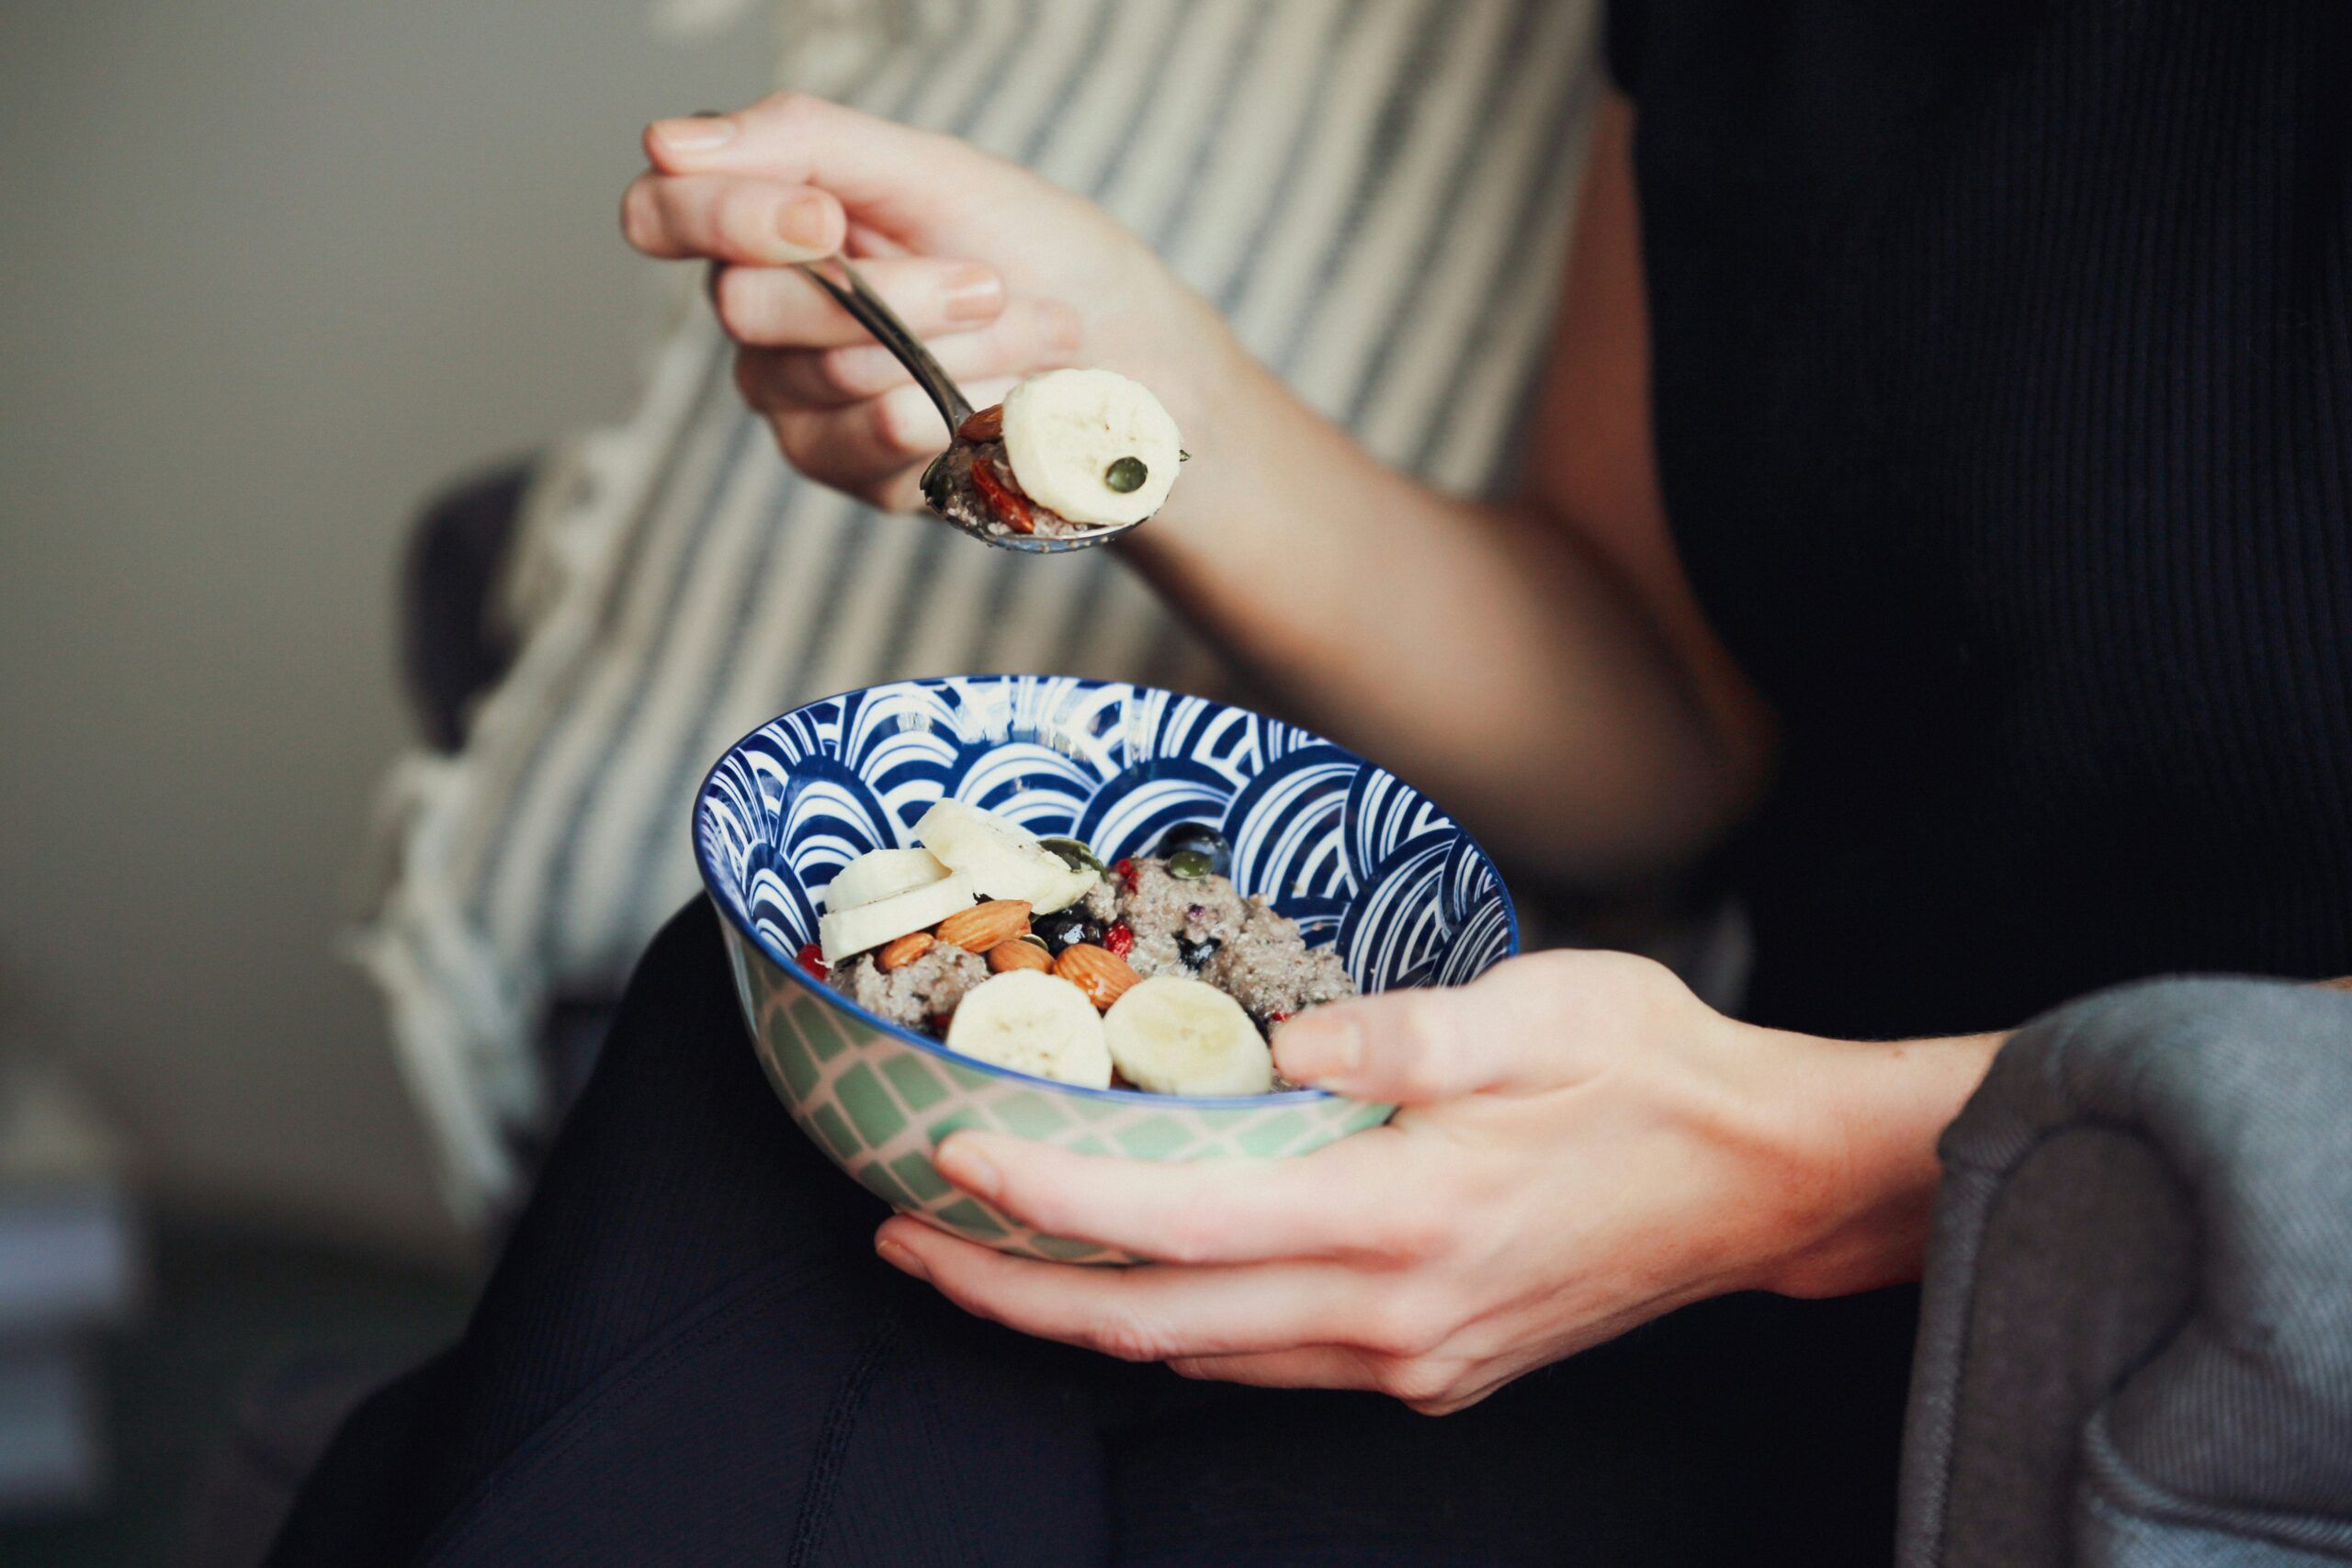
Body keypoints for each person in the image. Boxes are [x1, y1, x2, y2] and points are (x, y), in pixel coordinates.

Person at [272, 3, 2352, 1562]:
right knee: (746, 1065)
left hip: (2211, 1342)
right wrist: (1132, 367)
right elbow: (1656, 713)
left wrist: (1824, 1163)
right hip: (1730, 1259)